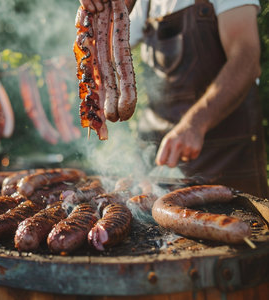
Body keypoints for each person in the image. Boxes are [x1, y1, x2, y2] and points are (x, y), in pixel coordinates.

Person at [79, 0, 268, 198]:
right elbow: (102, 46)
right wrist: (97, 11)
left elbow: (246, 58)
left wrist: (194, 124)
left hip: (225, 155)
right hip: (160, 156)